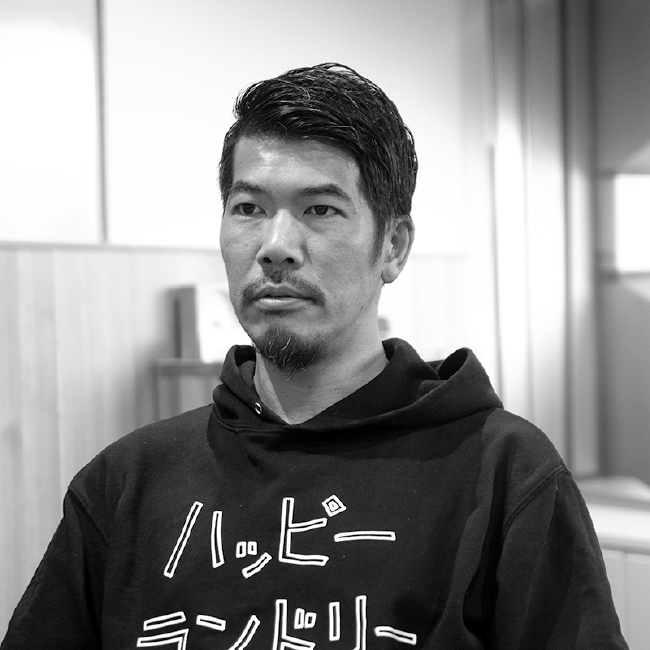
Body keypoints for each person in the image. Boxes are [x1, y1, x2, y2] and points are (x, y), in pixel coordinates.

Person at [2, 63, 627, 649]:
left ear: (393, 246)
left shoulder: (505, 475)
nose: (275, 246)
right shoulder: (127, 481)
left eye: (320, 209)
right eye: (249, 209)